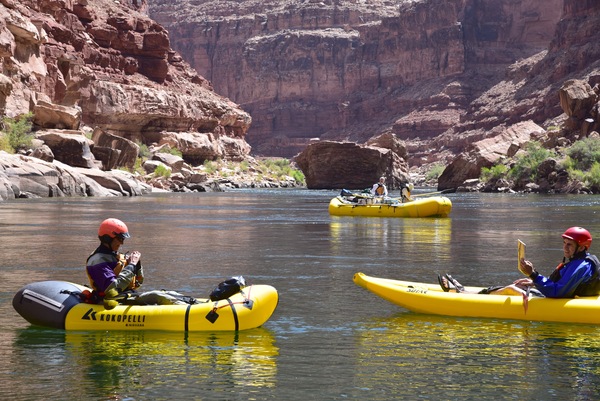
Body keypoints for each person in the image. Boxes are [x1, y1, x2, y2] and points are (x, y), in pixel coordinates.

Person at [438, 227, 600, 298]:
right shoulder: (578, 261)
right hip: (566, 296)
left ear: (581, 247)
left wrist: (534, 274)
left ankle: (462, 294)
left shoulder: (581, 266)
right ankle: (465, 291)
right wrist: (533, 282)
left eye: (569, 245)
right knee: (521, 285)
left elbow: (559, 292)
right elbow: (561, 285)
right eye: (564, 243)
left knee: (511, 289)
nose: (565, 248)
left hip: (563, 300)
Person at [86, 218, 194, 309]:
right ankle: (191, 312)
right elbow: (112, 291)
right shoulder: (97, 261)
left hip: (127, 296)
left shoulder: (116, 256)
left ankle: (193, 304)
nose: (122, 243)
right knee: (156, 296)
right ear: (107, 238)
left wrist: (136, 266)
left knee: (169, 293)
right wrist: (131, 266)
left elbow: (138, 283)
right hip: (111, 301)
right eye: (119, 239)